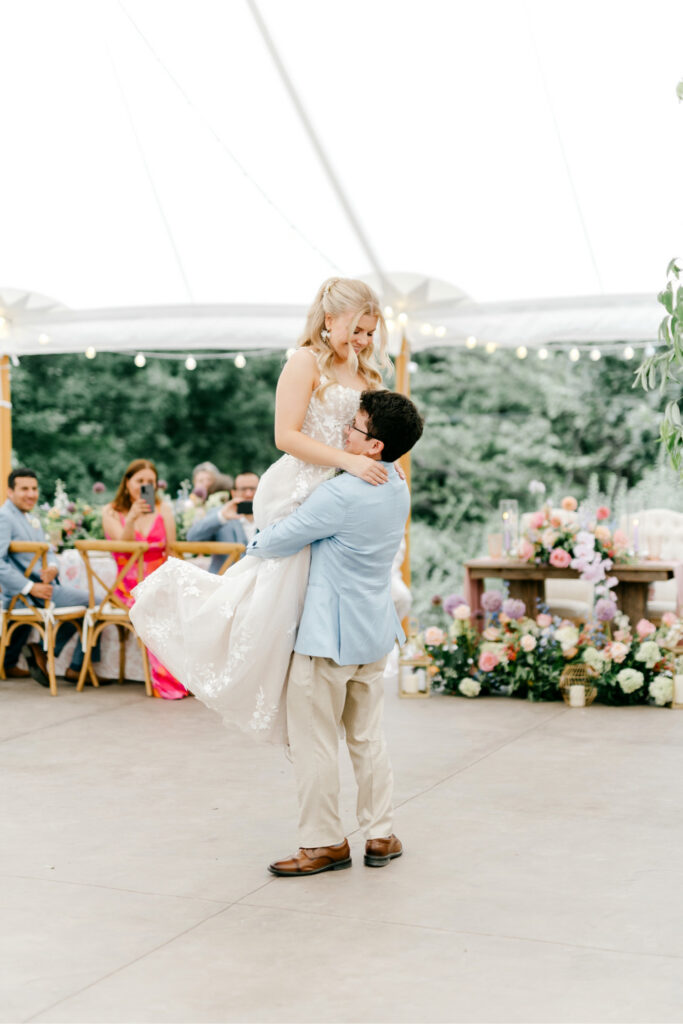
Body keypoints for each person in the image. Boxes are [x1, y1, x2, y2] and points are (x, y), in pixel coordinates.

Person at [130, 276, 391, 742]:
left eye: (371, 332)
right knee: (278, 592)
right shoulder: (304, 362)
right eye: (357, 330)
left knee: (323, 592)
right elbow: (286, 436)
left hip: (345, 489)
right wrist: (346, 461)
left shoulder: (365, 369)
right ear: (330, 320)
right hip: (301, 486)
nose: (364, 341)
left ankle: (325, 685)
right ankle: (281, 689)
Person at [245, 389, 424, 876]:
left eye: (356, 427)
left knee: (315, 741)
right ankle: (381, 834)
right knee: (368, 738)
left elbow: (279, 540)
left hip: (327, 640)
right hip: (374, 633)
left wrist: (252, 536)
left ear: (374, 447)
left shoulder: (340, 494)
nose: (345, 430)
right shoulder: (398, 486)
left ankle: (324, 842)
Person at [102, 459, 189, 700]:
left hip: (160, 578)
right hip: (129, 582)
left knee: (188, 601)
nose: (145, 486)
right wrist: (130, 519)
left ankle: (190, 675)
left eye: (150, 482)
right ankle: (168, 679)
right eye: (139, 481)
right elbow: (123, 548)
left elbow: (171, 551)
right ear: (127, 482)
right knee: (156, 607)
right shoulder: (111, 512)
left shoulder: (164, 510)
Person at [0, 467, 92, 686]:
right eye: (24, 489)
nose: (31, 494)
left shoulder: (31, 518)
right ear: (9, 491)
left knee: (86, 604)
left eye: (34, 488)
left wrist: (52, 567)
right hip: (27, 595)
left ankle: (35, 653)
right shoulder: (4, 517)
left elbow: (49, 550)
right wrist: (29, 587)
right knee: (94, 603)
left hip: (44, 588)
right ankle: (75, 667)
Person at [186, 471, 259, 573]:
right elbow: (192, 537)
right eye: (243, 489)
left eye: (253, 489)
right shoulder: (219, 513)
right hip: (224, 583)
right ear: (233, 493)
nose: (248, 494)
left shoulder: (270, 517)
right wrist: (222, 517)